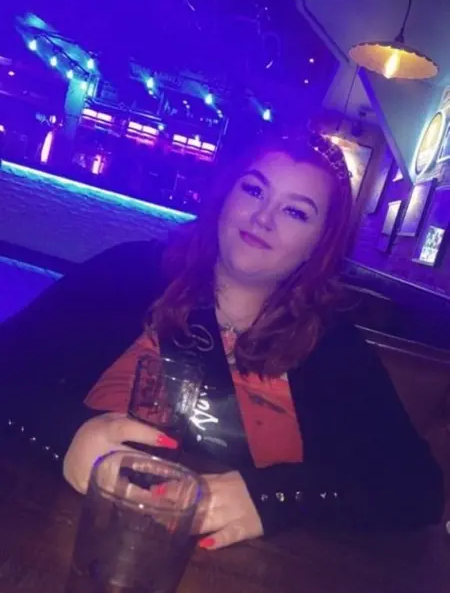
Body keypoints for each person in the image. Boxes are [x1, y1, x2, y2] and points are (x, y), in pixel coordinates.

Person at [0, 129, 443, 550]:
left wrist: (275, 497)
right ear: (226, 197)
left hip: (253, 581)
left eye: (295, 212)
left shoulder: (332, 347)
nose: (262, 218)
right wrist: (65, 436)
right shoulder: (128, 273)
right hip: (66, 536)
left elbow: (417, 489)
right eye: (254, 190)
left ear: (320, 244)